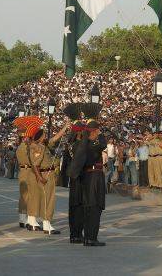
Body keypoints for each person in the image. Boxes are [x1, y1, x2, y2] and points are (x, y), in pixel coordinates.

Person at [70, 103, 107, 246]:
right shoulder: (91, 145)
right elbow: (102, 143)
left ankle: (87, 237)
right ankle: (91, 237)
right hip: (94, 177)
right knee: (94, 207)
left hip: (87, 177)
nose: (97, 133)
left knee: (88, 207)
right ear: (92, 132)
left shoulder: (82, 145)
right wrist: (98, 130)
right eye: (96, 131)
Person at [29, 122, 69, 234]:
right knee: (48, 199)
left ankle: (47, 223)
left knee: (48, 199)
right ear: (40, 137)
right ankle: (47, 225)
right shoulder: (38, 148)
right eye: (44, 135)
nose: (45, 136)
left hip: (48, 174)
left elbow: (55, 138)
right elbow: (35, 165)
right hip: (45, 175)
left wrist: (65, 128)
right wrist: (40, 177)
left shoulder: (43, 145)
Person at [63, 103, 86, 243]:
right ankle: (77, 233)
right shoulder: (79, 145)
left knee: (74, 207)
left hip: (73, 177)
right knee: (79, 207)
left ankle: (74, 233)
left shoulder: (70, 145)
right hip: (80, 177)